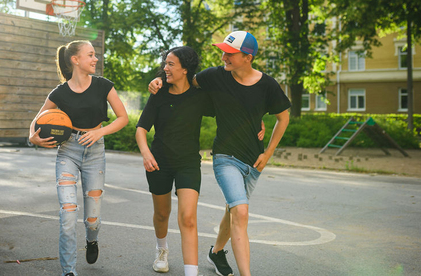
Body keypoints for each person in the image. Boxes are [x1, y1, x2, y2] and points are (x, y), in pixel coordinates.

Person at [149, 31, 290, 276]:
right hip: (225, 155)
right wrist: (160, 79)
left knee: (234, 209)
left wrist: (268, 152)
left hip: (254, 159)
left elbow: (283, 117)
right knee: (241, 211)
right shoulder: (215, 76)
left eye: (230, 53)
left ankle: (216, 252)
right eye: (223, 51)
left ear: (248, 57)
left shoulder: (267, 84)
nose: (223, 56)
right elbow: (184, 81)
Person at [29, 40, 129, 276]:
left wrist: (99, 132)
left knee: (92, 218)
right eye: (91, 55)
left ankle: (92, 240)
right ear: (75, 60)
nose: (96, 59)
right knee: (67, 214)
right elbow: (37, 119)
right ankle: (69, 271)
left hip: (95, 151)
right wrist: (32, 136)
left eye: (95, 55)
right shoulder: (59, 92)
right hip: (68, 151)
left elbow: (122, 118)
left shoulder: (104, 86)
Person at [136, 46, 214, 276]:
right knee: (162, 214)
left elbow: (229, 109)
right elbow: (141, 128)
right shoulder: (158, 93)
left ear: (185, 69)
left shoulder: (200, 97)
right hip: (158, 162)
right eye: (165, 63)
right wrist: (146, 153)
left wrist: (256, 120)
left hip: (188, 163)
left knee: (188, 218)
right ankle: (162, 250)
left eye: (170, 64)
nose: (165, 68)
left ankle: (191, 272)